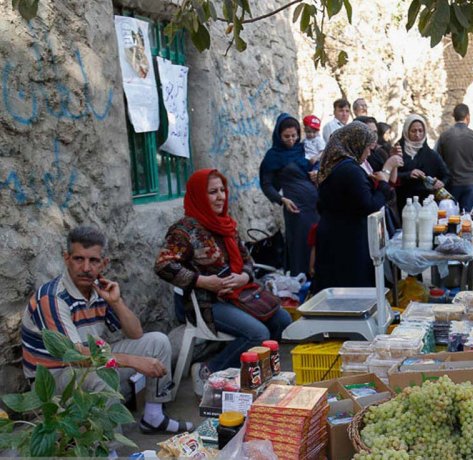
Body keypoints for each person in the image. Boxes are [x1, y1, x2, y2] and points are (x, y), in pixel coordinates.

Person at [22, 226, 192, 434]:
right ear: (66, 259)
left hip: (89, 362)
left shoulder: (97, 290)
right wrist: (133, 361)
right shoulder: (53, 298)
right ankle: (109, 449)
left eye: (93, 260)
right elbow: (74, 355)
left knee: (157, 341)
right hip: (54, 378)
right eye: (78, 259)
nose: (86, 267)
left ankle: (154, 416)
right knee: (101, 375)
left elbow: (136, 333)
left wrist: (116, 302)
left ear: (104, 263)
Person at [156, 169, 292, 393]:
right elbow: (163, 265)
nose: (220, 196)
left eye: (222, 190)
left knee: (282, 320)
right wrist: (202, 281)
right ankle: (209, 369)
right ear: (199, 195)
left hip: (238, 295)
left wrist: (244, 277)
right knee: (257, 334)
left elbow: (247, 260)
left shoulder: (226, 224)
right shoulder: (184, 231)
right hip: (206, 302)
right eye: (212, 192)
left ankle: (252, 373)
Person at [313, 122, 394, 291]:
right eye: (368, 148)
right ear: (356, 144)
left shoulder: (336, 165)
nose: (369, 153)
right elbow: (368, 205)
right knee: (351, 291)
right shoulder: (350, 170)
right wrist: (384, 186)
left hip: (335, 235)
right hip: (347, 241)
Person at [260, 113, 319, 276]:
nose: (291, 139)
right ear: (279, 135)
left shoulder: (303, 149)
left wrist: (316, 173)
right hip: (296, 208)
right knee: (301, 245)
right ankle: (301, 282)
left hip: (315, 206)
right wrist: (282, 200)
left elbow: (318, 164)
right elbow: (266, 185)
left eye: (294, 135)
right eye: (286, 136)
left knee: (318, 244)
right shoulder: (273, 156)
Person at [395, 114, 450, 207]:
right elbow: (390, 177)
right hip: (403, 202)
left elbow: (446, 175)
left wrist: (440, 183)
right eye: (413, 131)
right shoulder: (398, 151)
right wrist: (408, 174)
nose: (417, 134)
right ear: (406, 131)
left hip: (426, 204)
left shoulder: (431, 155)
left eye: (420, 131)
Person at [436, 103, 473, 212]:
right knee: (466, 218)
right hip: (470, 183)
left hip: (451, 184)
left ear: (453, 116)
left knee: (450, 218)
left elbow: (439, 160)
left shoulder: (444, 136)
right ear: (468, 116)